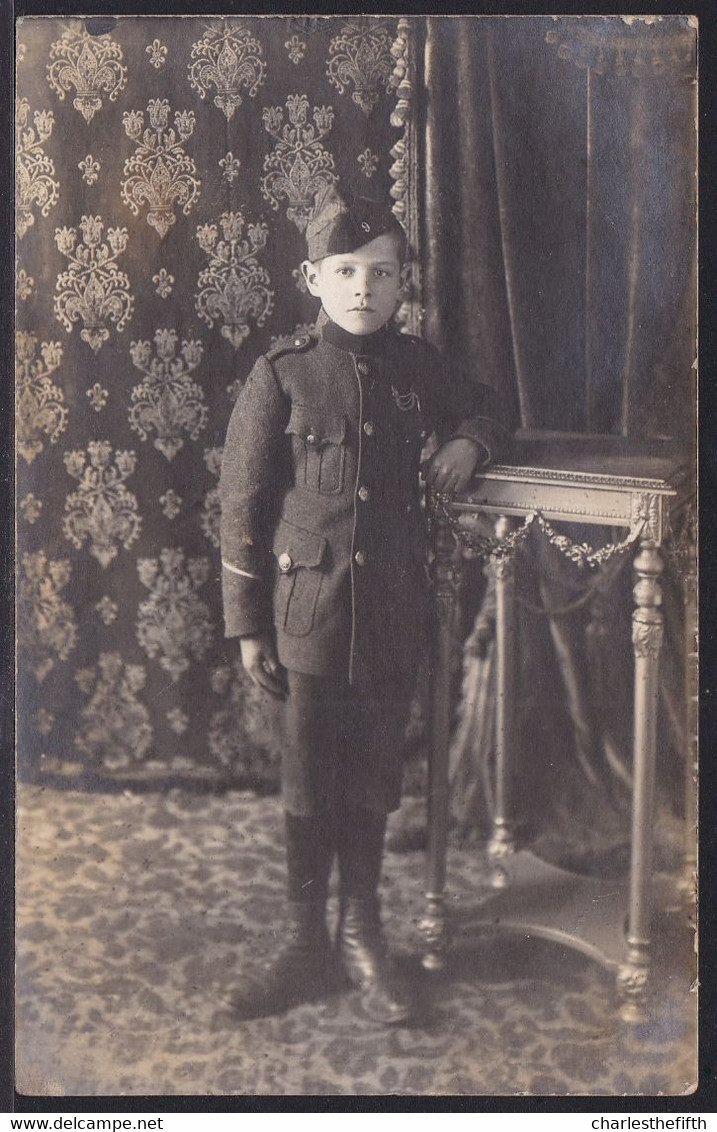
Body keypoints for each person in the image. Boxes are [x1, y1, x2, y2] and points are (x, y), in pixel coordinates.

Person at [219, 184, 508, 1024]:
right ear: (312, 277)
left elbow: (491, 409)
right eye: (345, 271)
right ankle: (308, 943)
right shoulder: (283, 375)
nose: (363, 290)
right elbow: (240, 502)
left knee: (375, 779)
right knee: (308, 780)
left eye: (381, 273)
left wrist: (467, 439)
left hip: (388, 614)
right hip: (308, 614)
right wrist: (246, 626)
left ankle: (362, 935)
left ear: (401, 284)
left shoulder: (419, 367)